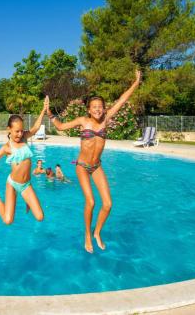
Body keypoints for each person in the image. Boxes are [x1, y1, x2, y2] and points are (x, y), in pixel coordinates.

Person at [47, 69, 141, 253]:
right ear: (89, 110)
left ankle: (97, 232)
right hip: (82, 166)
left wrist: (136, 83)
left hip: (97, 166)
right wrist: (49, 112)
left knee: (108, 204)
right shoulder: (83, 121)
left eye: (101, 106)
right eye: (94, 107)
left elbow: (122, 100)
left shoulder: (106, 120)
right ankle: (88, 235)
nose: (98, 109)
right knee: (90, 202)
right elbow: (60, 126)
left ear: (104, 108)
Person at [0, 96, 49, 224]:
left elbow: (35, 127)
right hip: (12, 183)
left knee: (40, 217)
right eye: (17, 131)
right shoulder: (6, 148)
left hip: (26, 185)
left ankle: (24, 199)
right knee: (8, 221)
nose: (20, 134)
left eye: (21, 131)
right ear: (9, 129)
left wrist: (43, 110)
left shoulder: (24, 137)